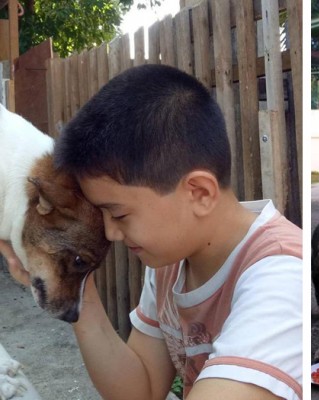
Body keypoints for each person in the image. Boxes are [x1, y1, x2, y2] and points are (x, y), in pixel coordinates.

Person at [53, 64, 303, 399]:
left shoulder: (284, 276)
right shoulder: (171, 262)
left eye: (119, 213)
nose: (111, 232)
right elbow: (140, 391)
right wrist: (74, 288)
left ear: (199, 193)